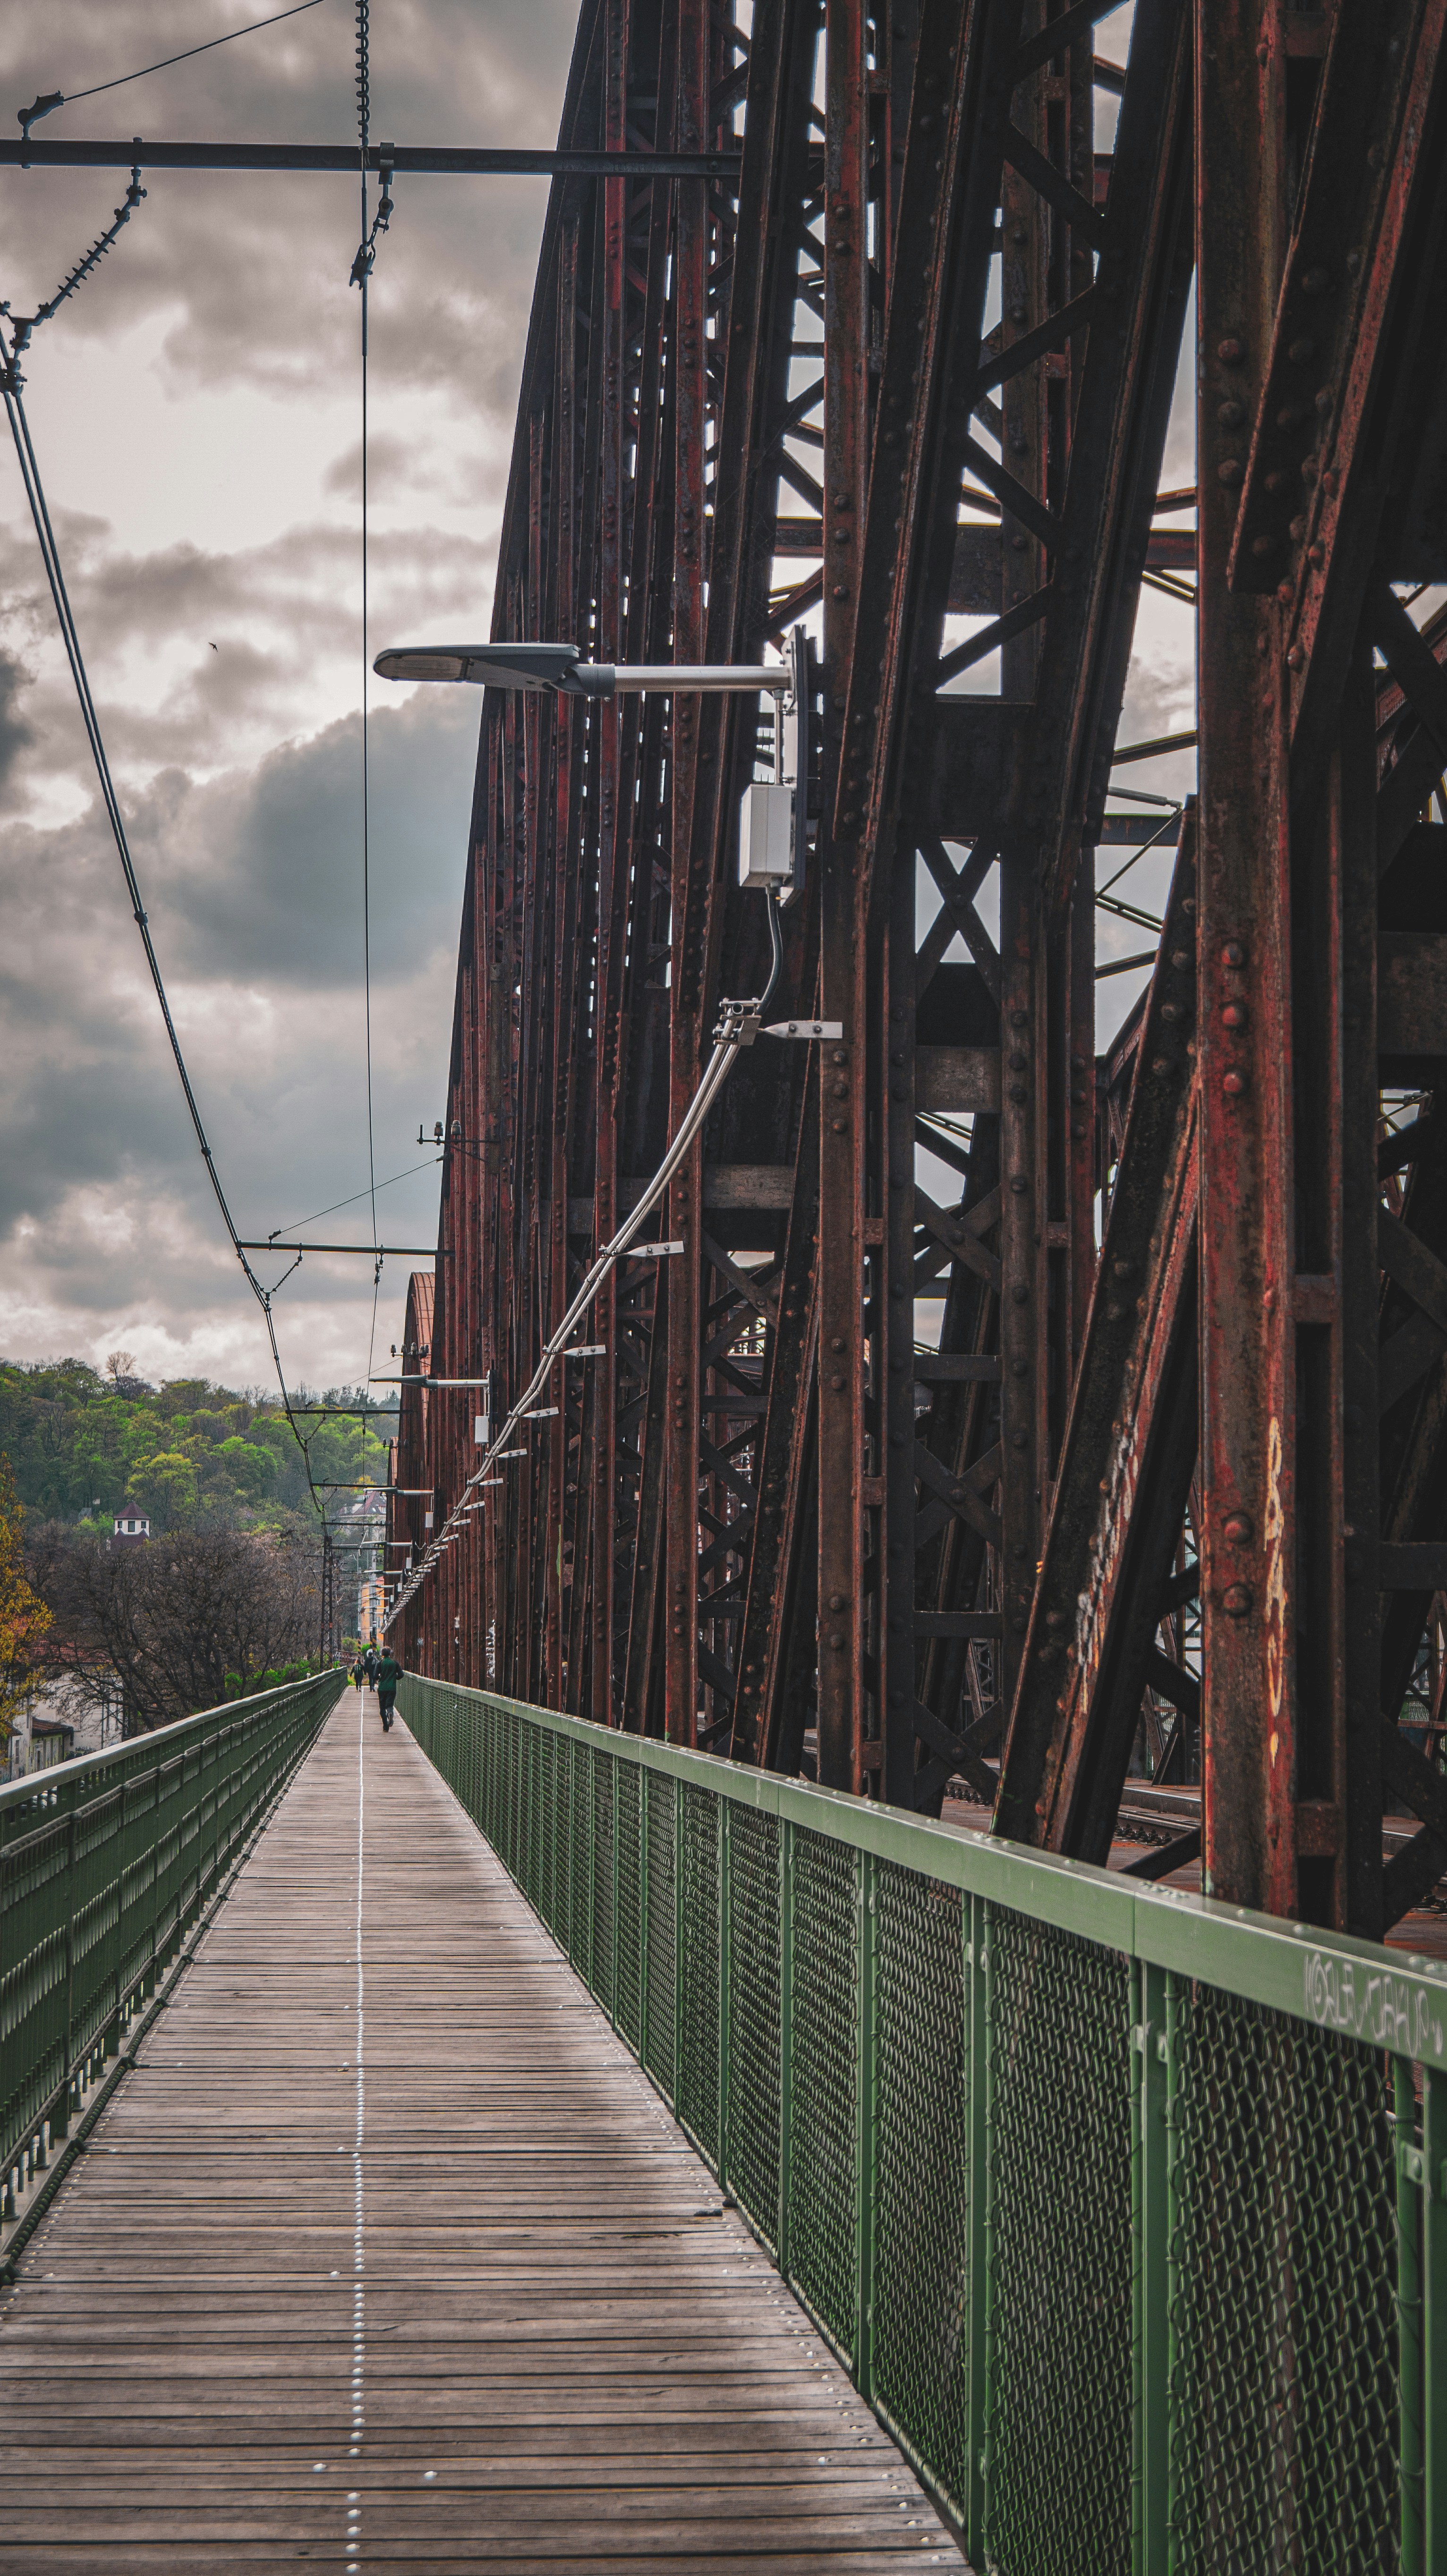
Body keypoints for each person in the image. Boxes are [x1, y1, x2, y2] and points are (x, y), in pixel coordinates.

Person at [376, 1647, 401, 1732]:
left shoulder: (380, 1663)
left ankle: (386, 1727)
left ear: (382, 1654)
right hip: (392, 1688)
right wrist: (395, 1677)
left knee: (382, 1708)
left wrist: (380, 1678)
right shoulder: (395, 1663)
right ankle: (390, 1713)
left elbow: (375, 1676)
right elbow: (401, 1675)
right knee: (390, 1706)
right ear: (390, 1654)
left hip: (382, 1688)